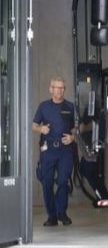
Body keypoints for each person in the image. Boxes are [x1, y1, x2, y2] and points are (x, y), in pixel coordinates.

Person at [32, 77, 76, 226]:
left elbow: (76, 127)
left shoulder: (70, 106)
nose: (59, 90)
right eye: (56, 87)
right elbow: (34, 125)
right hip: (48, 150)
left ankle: (62, 213)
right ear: (51, 89)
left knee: (63, 181)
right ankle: (52, 216)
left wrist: (72, 136)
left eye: (62, 88)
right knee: (47, 183)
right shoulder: (43, 106)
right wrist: (41, 128)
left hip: (65, 150)